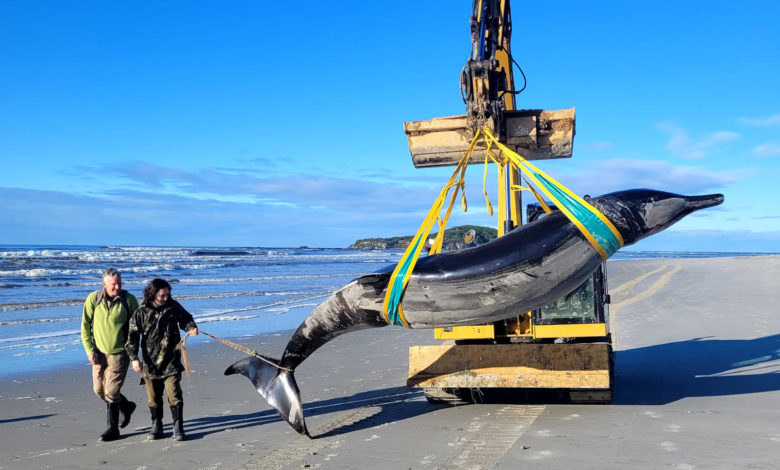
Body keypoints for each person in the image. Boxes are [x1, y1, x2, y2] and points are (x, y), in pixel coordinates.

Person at [126, 278, 198, 441]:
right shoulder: (141, 312)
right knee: (153, 398)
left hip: (172, 361)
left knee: (175, 395)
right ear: (153, 294)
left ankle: (178, 427)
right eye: (162, 295)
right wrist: (134, 359)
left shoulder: (173, 306)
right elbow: (132, 337)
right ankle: (156, 425)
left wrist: (191, 328)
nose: (166, 298)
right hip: (150, 364)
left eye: (168, 294)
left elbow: (186, 319)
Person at [80, 268, 139, 441]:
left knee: (111, 392)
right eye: (113, 284)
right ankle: (126, 406)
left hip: (120, 353)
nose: (117, 287)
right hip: (98, 354)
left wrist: (134, 354)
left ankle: (112, 429)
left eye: (120, 283)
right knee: (99, 390)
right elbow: (85, 326)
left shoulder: (129, 300)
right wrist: (89, 351)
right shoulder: (93, 299)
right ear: (104, 283)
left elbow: (137, 327)